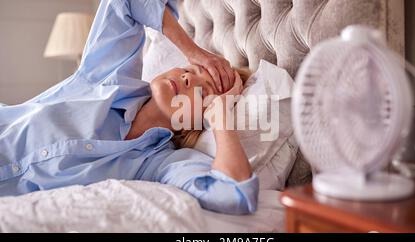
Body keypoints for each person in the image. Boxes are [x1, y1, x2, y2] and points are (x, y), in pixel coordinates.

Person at [0, 0, 258, 215]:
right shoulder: (109, 78)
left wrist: (221, 117)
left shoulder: (160, 164)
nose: (188, 78)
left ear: (200, 120)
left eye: (203, 91)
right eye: (191, 69)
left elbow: (235, 194)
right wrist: (193, 51)